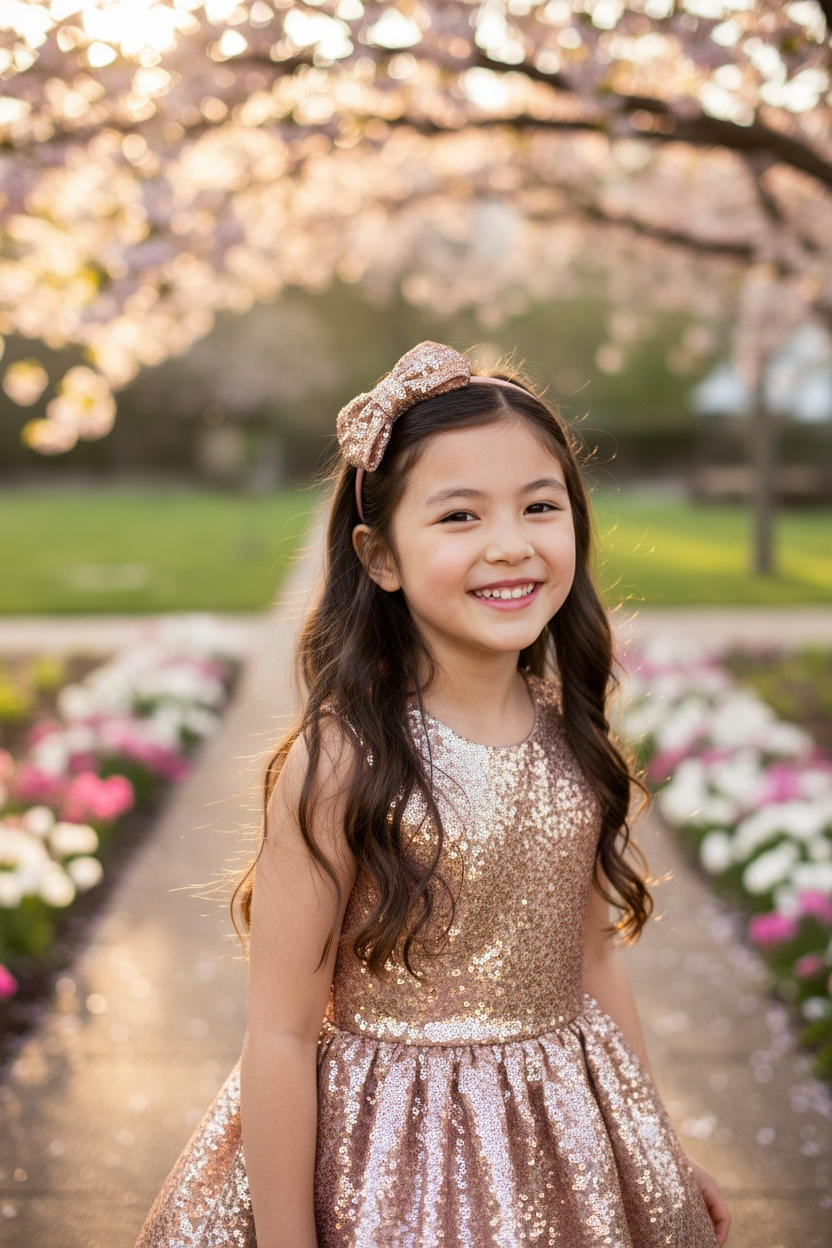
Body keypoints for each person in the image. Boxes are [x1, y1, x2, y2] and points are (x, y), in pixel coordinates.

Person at [135, 342, 731, 1248]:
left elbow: (595, 963)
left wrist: (655, 1153)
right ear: (380, 557)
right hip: (391, 1159)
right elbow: (282, 1036)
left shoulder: (573, 733)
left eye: (540, 506)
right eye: (460, 515)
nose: (511, 544)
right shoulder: (342, 764)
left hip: (564, 1136)